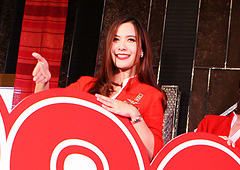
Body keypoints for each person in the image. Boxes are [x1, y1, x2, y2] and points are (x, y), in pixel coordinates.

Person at [32, 16, 165, 160]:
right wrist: (42, 82)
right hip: (72, 161)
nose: (122, 46)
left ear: (142, 50)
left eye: (131, 40)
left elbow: (154, 154)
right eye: (116, 39)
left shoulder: (151, 95)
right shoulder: (85, 85)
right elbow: (47, 114)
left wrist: (133, 113)